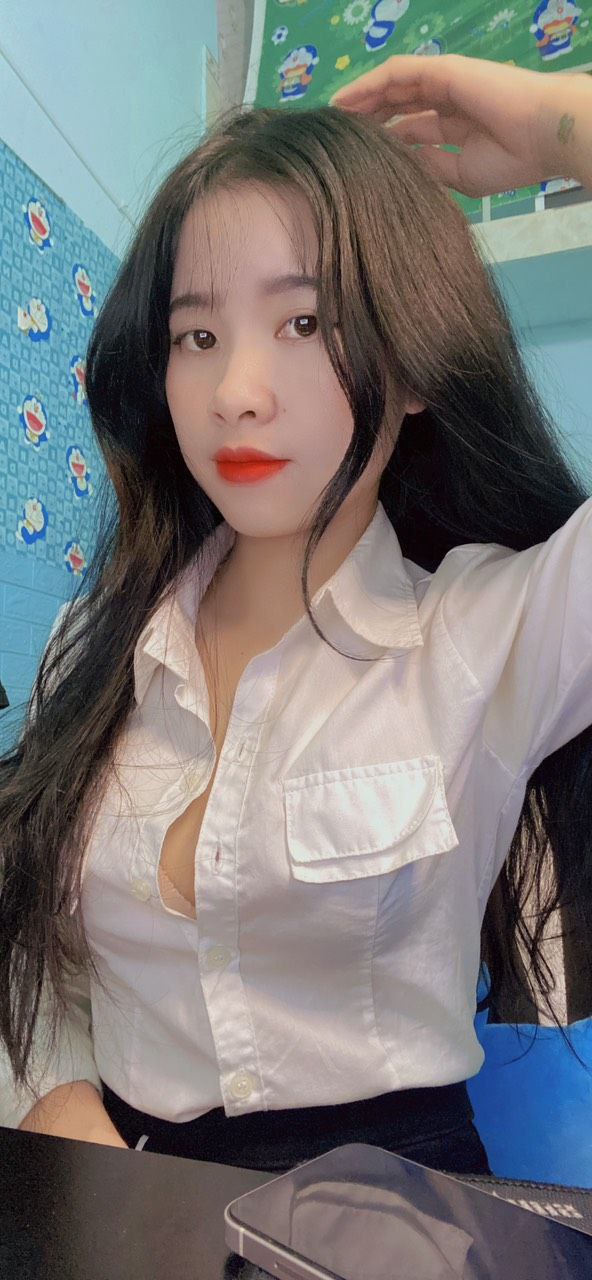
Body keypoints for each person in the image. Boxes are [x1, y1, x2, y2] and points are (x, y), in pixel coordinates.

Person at [1, 54, 591, 1172]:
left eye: (307, 321)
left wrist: (561, 122)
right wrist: (60, 1103)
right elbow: (51, 957)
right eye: (198, 336)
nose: (236, 392)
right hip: (119, 1195)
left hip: (388, 1214)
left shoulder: (485, 633)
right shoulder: (94, 653)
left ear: (414, 362)